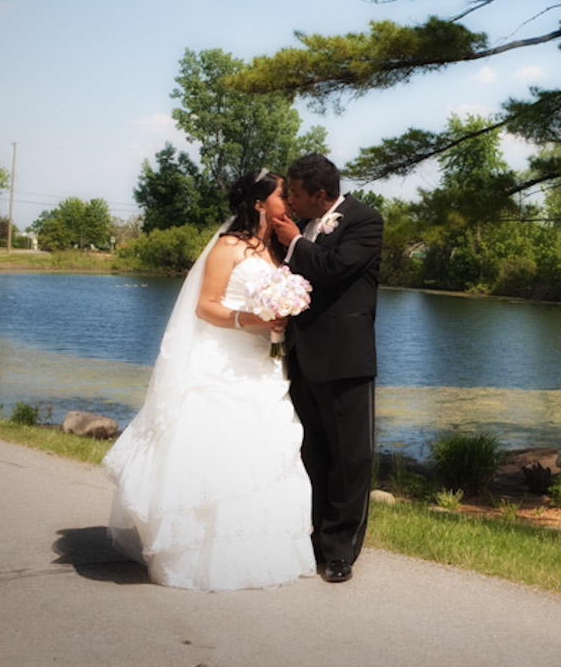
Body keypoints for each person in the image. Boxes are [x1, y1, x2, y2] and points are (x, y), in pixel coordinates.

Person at [104, 169, 317, 591]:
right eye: (281, 196)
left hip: (264, 362)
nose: (288, 202)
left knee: (266, 446)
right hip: (224, 360)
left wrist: (279, 319)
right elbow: (205, 306)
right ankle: (200, 552)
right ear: (259, 204)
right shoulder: (228, 247)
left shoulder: (274, 250)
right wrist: (250, 319)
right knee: (220, 443)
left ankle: (259, 549)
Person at [272, 153, 382, 584]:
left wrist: (297, 243)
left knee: (350, 457)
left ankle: (340, 551)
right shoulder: (295, 230)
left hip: (344, 359)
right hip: (302, 357)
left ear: (320, 195)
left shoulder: (364, 220)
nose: (290, 201)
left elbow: (335, 271)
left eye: (296, 193)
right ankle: (312, 537)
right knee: (313, 454)